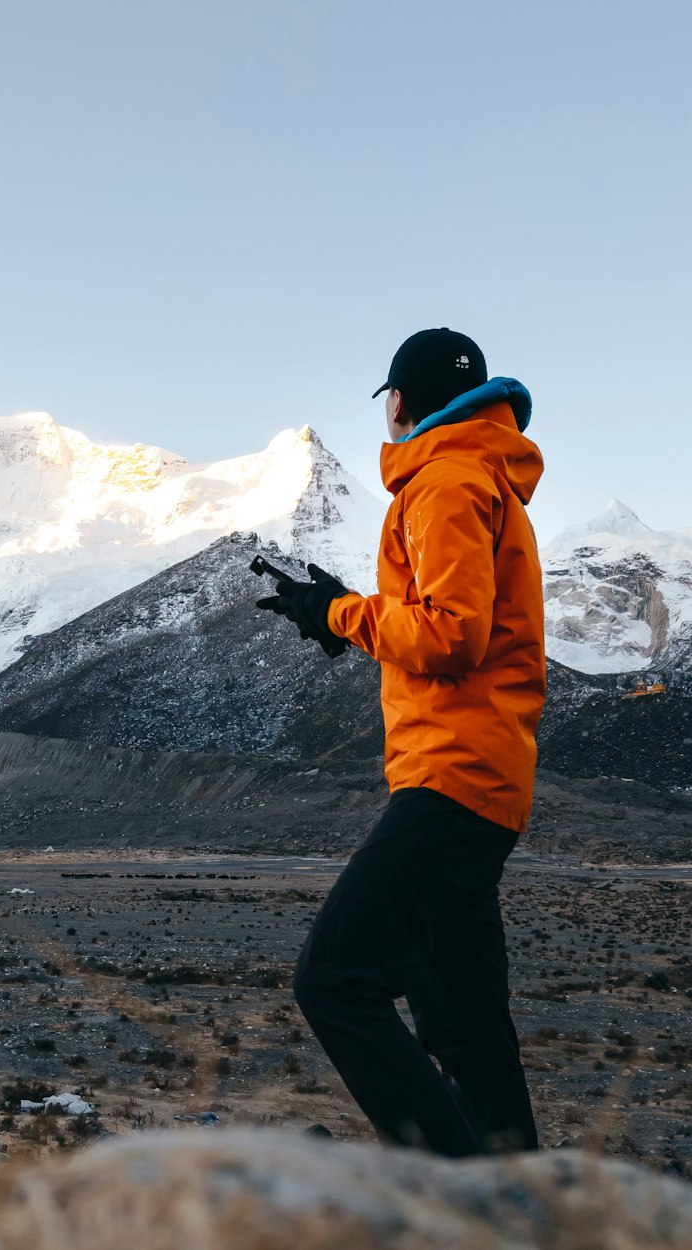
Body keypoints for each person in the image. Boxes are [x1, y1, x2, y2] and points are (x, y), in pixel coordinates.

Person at [257, 327, 545, 1156]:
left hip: (451, 780)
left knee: (335, 980)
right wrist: (345, 615)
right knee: (464, 1027)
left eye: (388, 401)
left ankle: (452, 1194)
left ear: (404, 402)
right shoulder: (485, 476)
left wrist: (340, 615)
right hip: (484, 777)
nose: (386, 415)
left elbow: (451, 635)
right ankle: (518, 1209)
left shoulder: (445, 480)